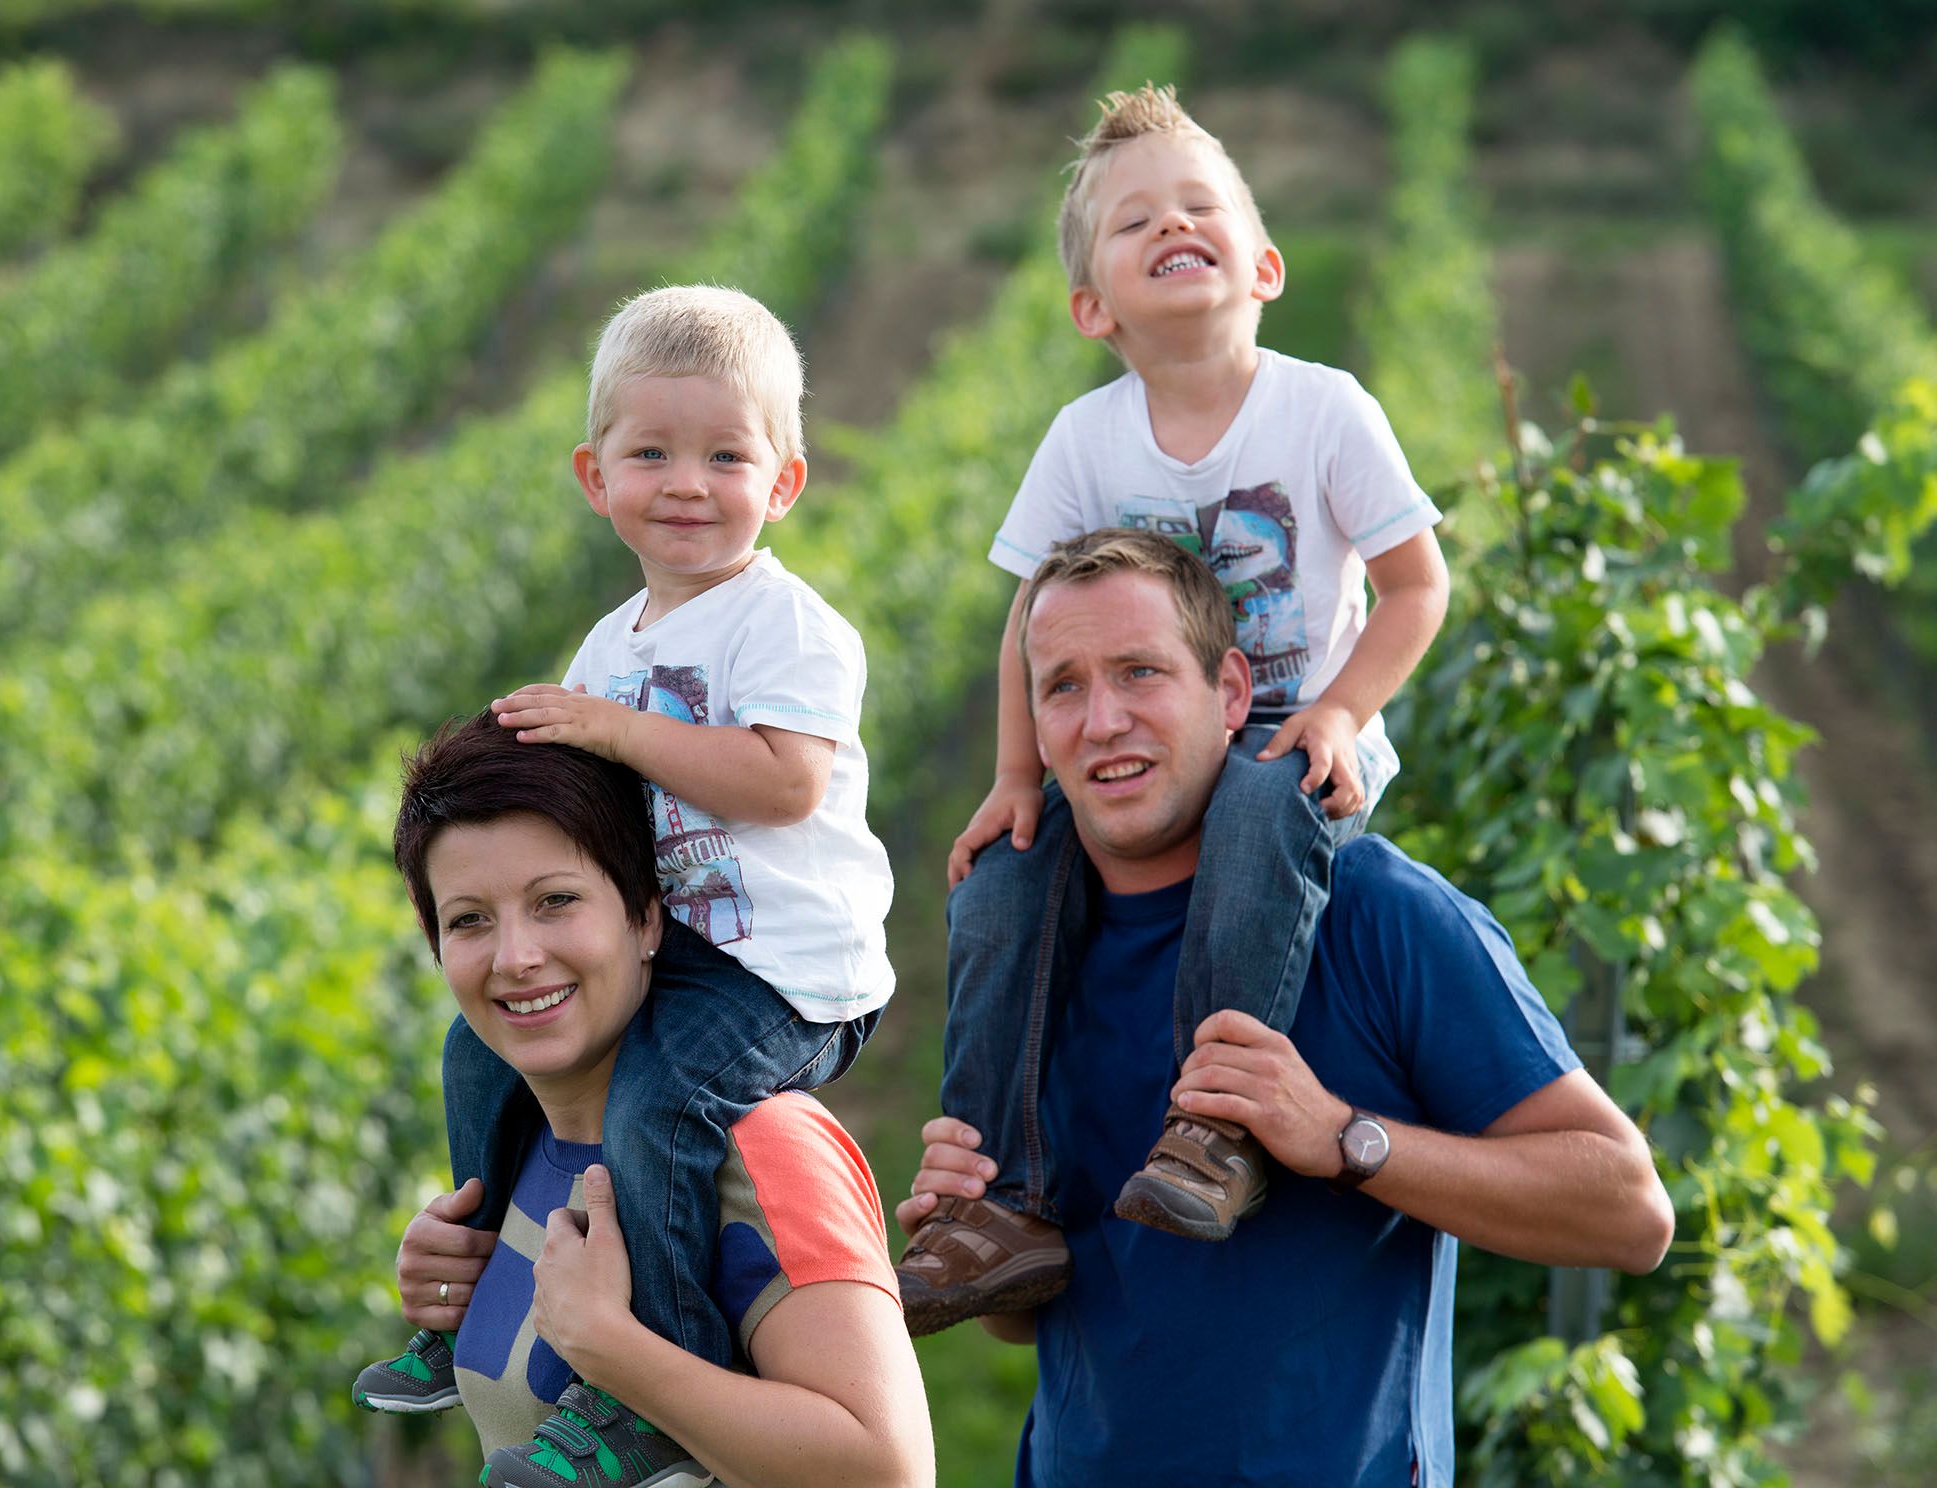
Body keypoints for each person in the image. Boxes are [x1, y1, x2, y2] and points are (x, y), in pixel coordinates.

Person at [896, 530, 1674, 1484]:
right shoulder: (1022, 957)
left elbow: (1629, 1211)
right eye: (1064, 685)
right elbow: (1039, 1318)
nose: (1102, 721)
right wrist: (974, 1213)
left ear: (1229, 692)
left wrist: (1347, 1139)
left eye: (1140, 673)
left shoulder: (1379, 914)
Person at [902, 80, 1455, 1328]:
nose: (1172, 225)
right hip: (1147, 737)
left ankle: (1215, 1127)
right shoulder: (1088, 440)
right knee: (999, 884)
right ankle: (1003, 1200)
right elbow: (1027, 624)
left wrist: (1340, 712)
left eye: (1199, 206)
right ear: (1094, 307)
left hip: (1289, 732)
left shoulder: (1323, 409)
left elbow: (1420, 587)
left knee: (1263, 810)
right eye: (1135, 220)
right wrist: (1012, 778)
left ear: (1261, 264)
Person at [353, 287, 896, 1483]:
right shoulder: (615, 645)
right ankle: (468, 1279)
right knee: (467, 1054)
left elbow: (783, 784)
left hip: (778, 974)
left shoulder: (788, 628)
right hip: (686, 949)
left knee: (663, 1107)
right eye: (651, 454)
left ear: (785, 482)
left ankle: (648, 1384)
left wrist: (612, 729)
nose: (687, 483)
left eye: (725, 456)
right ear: (596, 479)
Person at [369, 714, 930, 1488]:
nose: (516, 958)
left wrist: (616, 1351)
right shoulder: (521, 1145)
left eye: (556, 901)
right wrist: (459, 1286)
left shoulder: (762, 1144)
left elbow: (887, 1469)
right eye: (469, 920)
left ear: (645, 918)